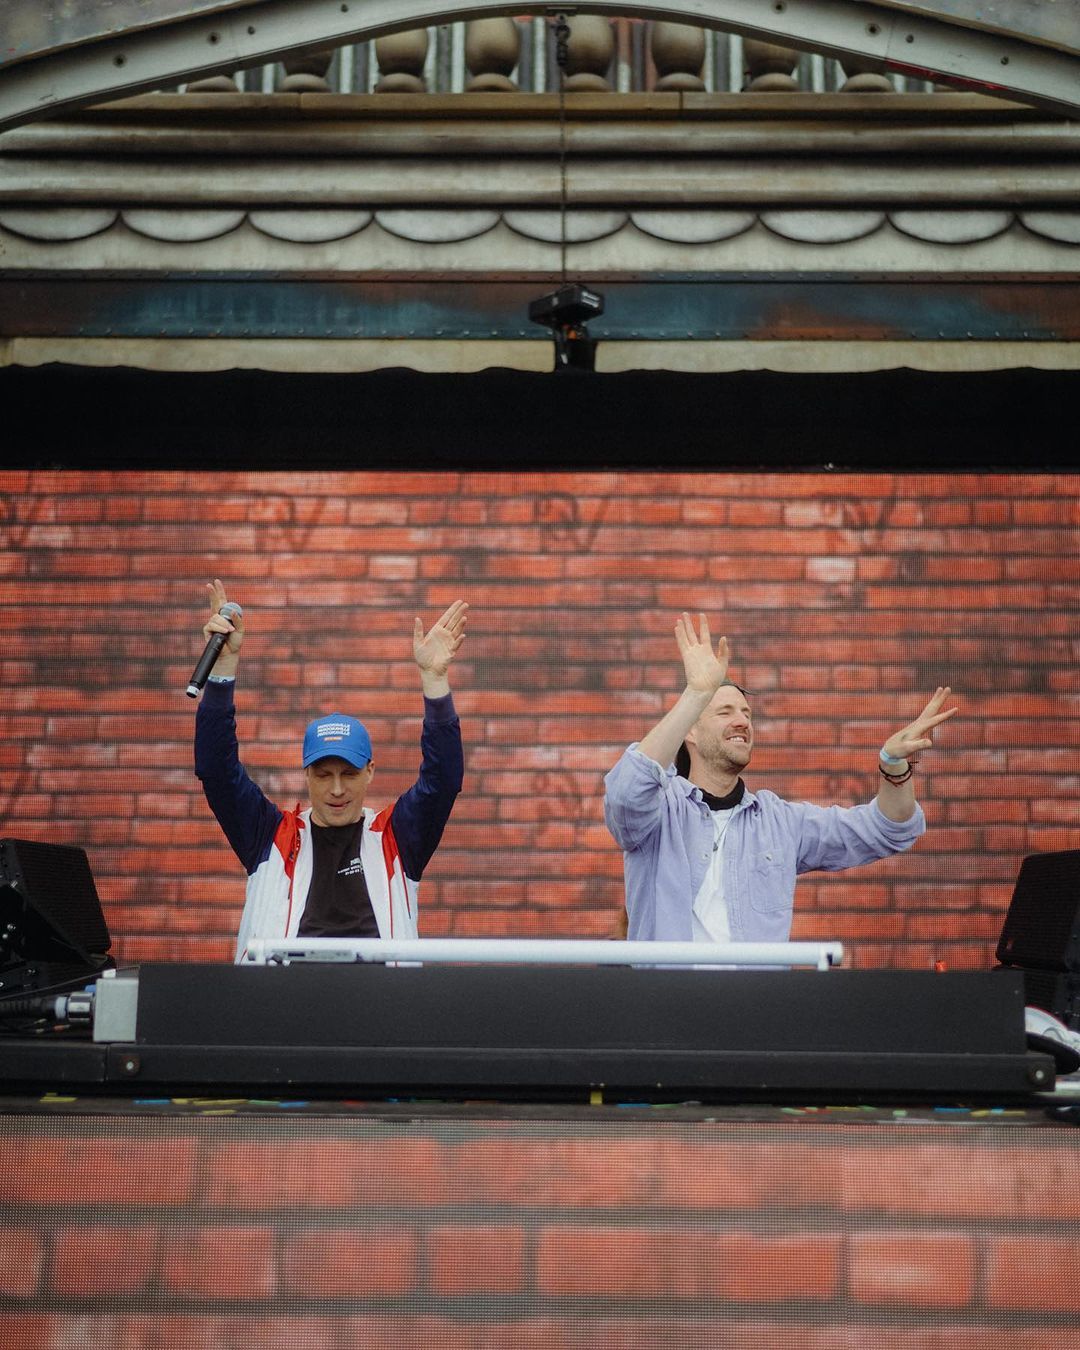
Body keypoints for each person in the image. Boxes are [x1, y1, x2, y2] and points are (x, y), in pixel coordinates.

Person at [604, 613, 957, 945]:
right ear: (691, 732)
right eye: (725, 712)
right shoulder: (660, 813)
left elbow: (886, 830)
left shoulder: (780, 823)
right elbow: (626, 793)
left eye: (747, 713)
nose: (742, 721)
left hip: (757, 991)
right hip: (668, 989)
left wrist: (893, 763)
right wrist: (696, 694)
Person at [194, 579, 467, 961]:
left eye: (349, 774)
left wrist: (435, 682)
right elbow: (216, 769)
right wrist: (222, 671)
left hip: (381, 997)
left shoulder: (396, 838)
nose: (337, 789)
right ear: (306, 775)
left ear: (370, 772)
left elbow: (443, 780)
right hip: (280, 996)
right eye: (323, 775)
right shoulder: (269, 835)